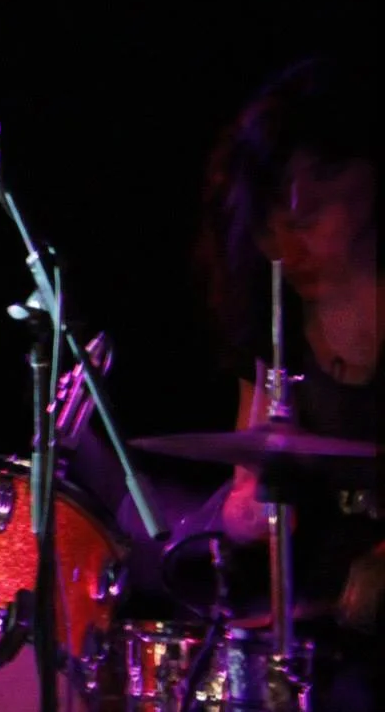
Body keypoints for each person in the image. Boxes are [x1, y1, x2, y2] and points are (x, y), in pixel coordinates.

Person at [188, 57, 378, 710]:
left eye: (313, 202)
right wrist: (246, 512)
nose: (289, 236)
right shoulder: (271, 325)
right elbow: (248, 485)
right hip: (312, 637)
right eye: (273, 216)